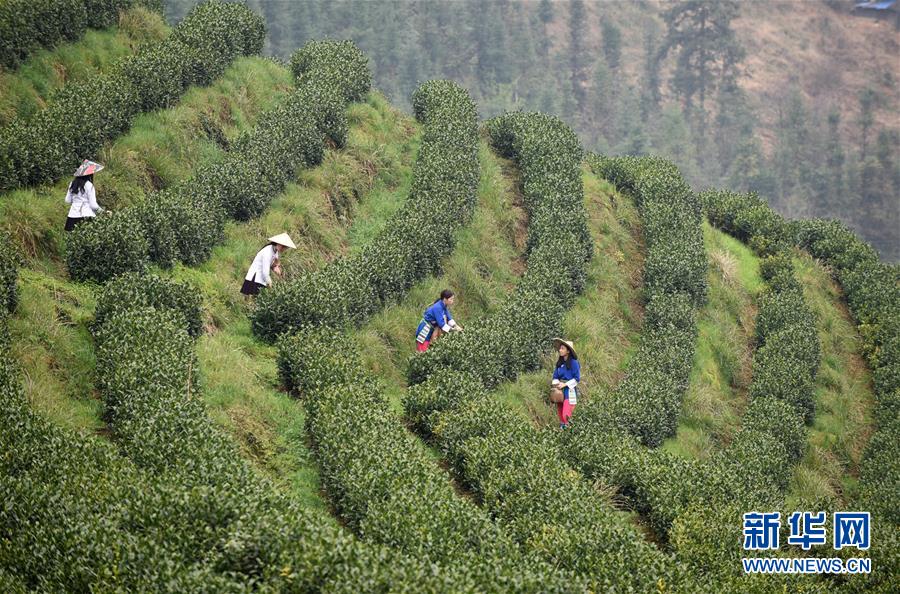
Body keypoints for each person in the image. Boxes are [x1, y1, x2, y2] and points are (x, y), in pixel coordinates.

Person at [64, 159, 104, 231]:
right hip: (86, 216)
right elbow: (93, 205)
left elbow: (67, 200)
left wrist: (76, 202)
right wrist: (103, 212)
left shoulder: (72, 184)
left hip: (72, 216)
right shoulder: (89, 185)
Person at [551, 338, 580, 429]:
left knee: (566, 413)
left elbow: (577, 378)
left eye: (562, 348)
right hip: (560, 390)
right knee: (560, 410)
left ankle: (567, 430)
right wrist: (557, 384)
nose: (560, 350)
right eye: (560, 348)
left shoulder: (574, 363)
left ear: (568, 351)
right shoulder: (559, 363)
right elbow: (555, 376)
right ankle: (562, 430)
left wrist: (565, 384)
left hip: (569, 390)